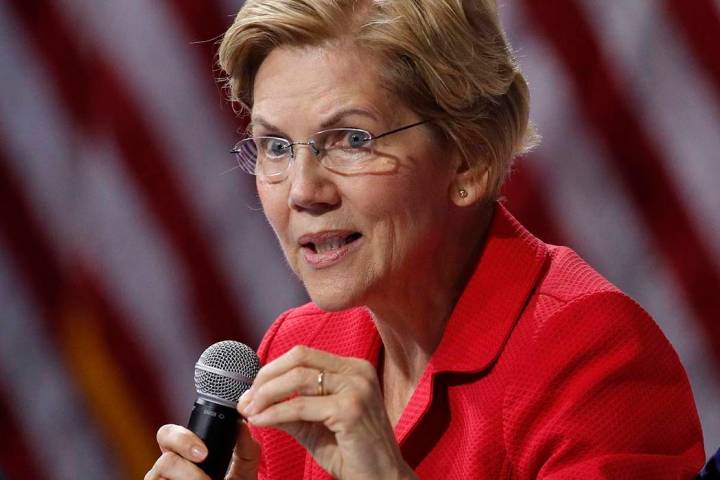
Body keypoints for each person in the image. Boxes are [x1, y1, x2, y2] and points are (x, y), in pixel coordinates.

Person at [145, 0, 705, 478]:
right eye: (276, 146)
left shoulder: (593, 360)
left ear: (469, 160)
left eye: (352, 140)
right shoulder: (299, 348)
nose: (303, 191)